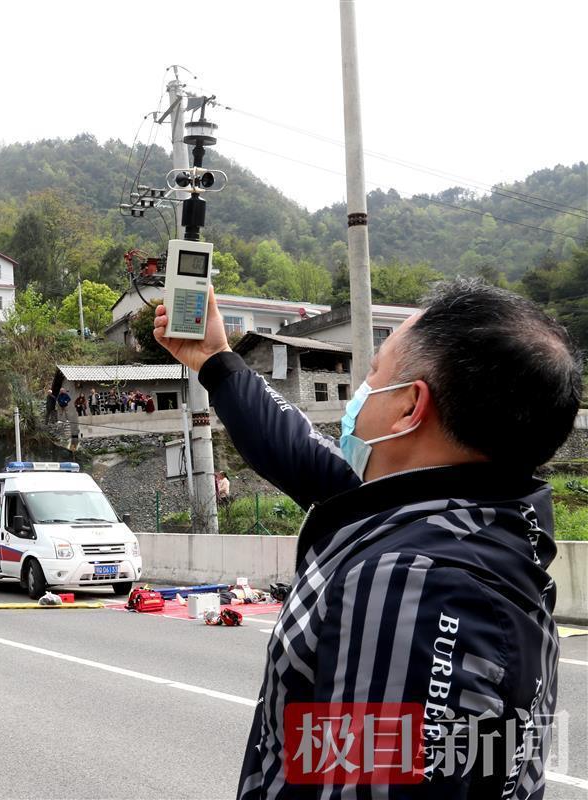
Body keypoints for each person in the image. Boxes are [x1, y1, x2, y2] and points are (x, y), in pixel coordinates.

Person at [155, 279, 578, 798]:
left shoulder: (416, 582)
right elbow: (300, 453)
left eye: (373, 372)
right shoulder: (475, 522)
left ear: (409, 407)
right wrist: (216, 359)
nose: (361, 392)